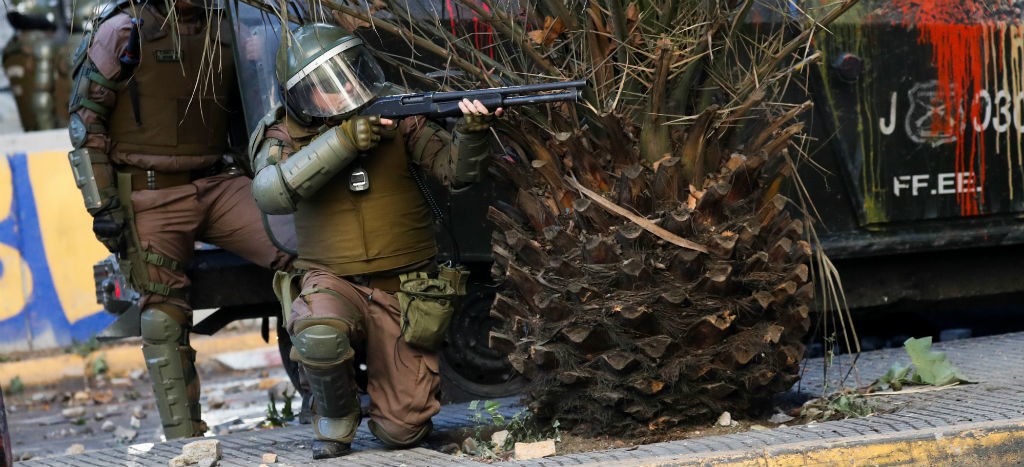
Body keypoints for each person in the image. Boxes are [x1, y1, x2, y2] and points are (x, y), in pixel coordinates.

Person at [249, 22, 501, 459]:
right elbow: (271, 192)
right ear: (301, 95)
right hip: (332, 279)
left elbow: (456, 172)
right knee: (318, 335)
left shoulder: (397, 114)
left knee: (402, 434)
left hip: (404, 286)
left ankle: (390, 409)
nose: (344, 88)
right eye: (326, 85)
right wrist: (344, 140)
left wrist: (472, 132)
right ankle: (336, 418)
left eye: (349, 72)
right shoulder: (284, 134)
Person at [66, 0, 293, 440]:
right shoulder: (122, 31)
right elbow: (84, 125)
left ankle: (338, 409)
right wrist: (104, 206)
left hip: (219, 181)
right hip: (150, 192)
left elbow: (259, 98)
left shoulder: (228, 24)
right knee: (162, 314)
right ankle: (184, 442)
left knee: (306, 255)